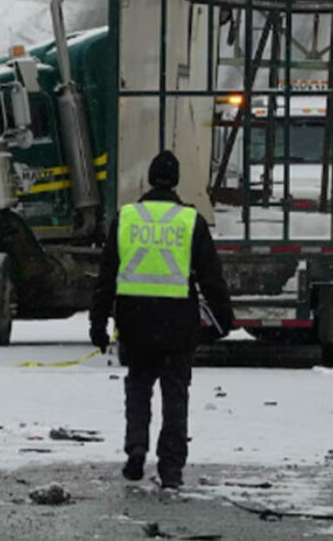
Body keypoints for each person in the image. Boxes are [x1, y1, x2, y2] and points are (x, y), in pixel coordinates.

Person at [89, 150, 234, 489]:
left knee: (138, 389)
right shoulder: (190, 221)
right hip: (178, 325)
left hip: (135, 322)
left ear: (149, 180)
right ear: (177, 181)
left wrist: (98, 324)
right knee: (175, 396)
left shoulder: (126, 218)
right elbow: (212, 278)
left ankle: (136, 449)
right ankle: (171, 468)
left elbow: (106, 277)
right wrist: (224, 319)